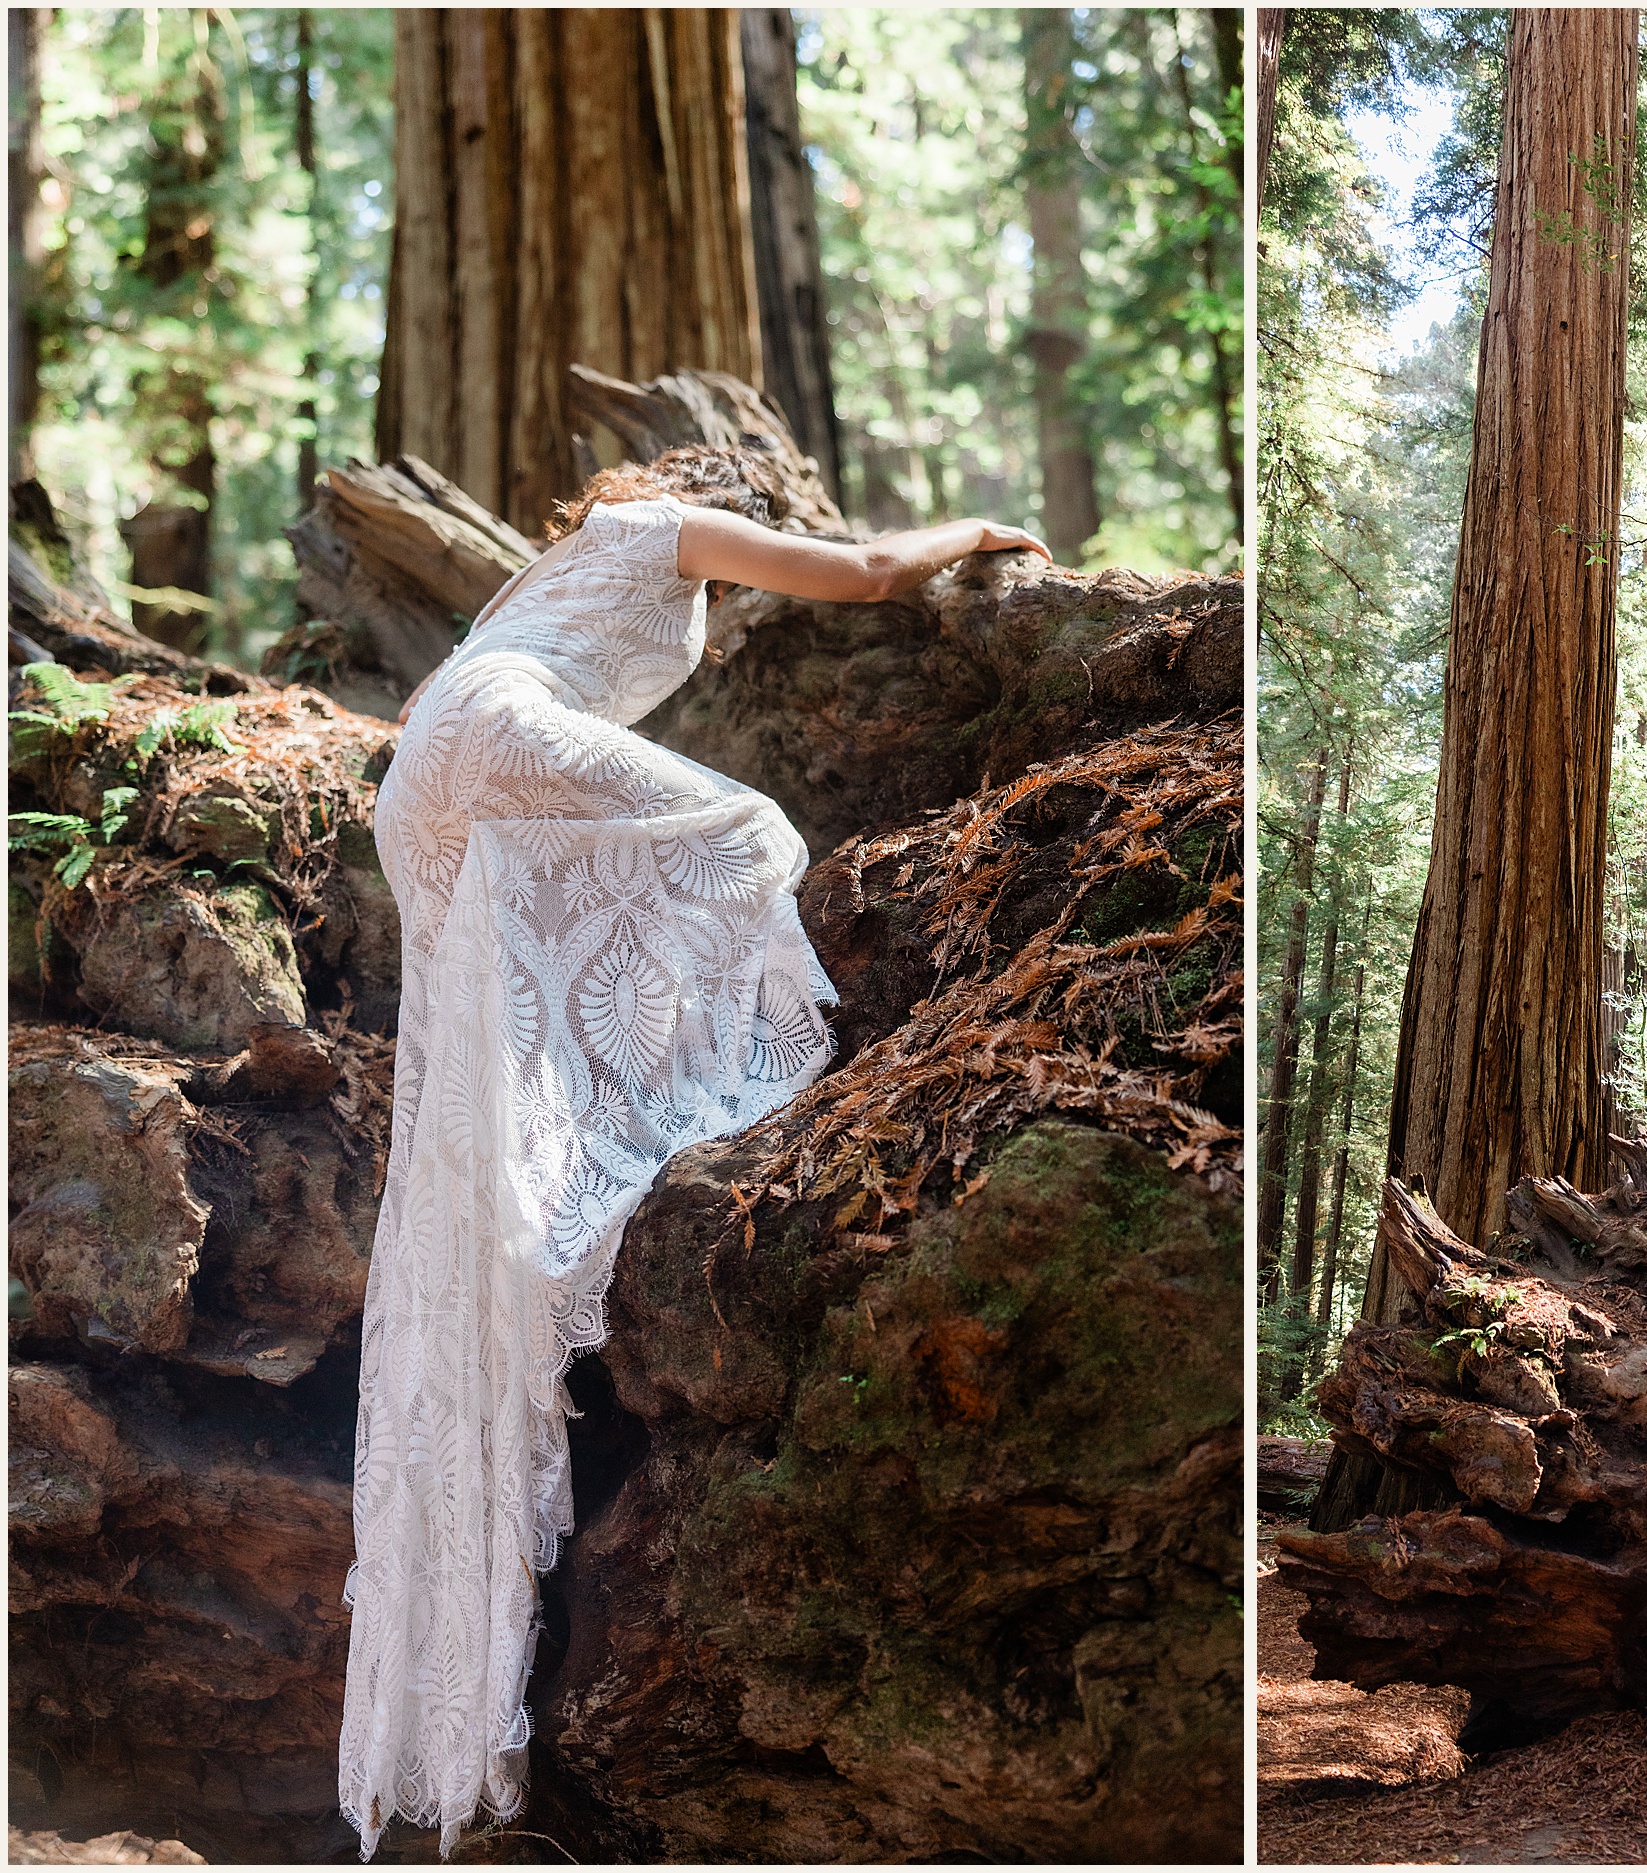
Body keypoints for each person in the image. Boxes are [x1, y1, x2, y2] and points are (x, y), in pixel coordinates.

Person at [337, 444, 1046, 1861]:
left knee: (481, 1087)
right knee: (744, 829)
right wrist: (975, 523)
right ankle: (704, 1107)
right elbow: (854, 575)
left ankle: (565, 1203)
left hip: (423, 789)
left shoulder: (539, 575)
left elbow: (421, 708)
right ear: (697, 481)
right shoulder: (658, 523)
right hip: (483, 743)